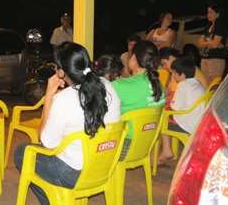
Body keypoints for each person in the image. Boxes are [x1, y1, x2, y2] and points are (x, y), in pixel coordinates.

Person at [14, 42, 117, 205]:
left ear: (61, 72)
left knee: (22, 152)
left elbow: (46, 143)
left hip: (73, 173)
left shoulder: (64, 99)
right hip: (104, 164)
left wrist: (49, 95)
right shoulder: (108, 87)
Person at [112, 40, 165, 158]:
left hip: (126, 146)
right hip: (148, 142)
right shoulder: (158, 84)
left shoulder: (120, 85)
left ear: (134, 58)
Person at [157, 57, 206, 166]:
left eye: (174, 73)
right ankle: (167, 150)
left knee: (161, 121)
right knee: (166, 117)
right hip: (197, 121)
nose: (173, 76)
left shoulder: (182, 86)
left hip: (187, 123)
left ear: (181, 74)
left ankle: (166, 150)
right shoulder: (196, 83)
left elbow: (174, 108)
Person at [197, 4, 228, 85]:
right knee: (207, 84)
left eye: (211, 12)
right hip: (204, 58)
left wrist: (207, 42)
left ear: (218, 14)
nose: (208, 15)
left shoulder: (221, 27)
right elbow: (199, 43)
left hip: (216, 59)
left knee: (216, 84)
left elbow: (215, 45)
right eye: (208, 12)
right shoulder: (208, 27)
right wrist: (210, 42)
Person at [93, 54, 122, 122]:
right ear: (109, 75)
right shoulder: (114, 87)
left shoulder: (93, 84)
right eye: (118, 74)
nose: (120, 77)